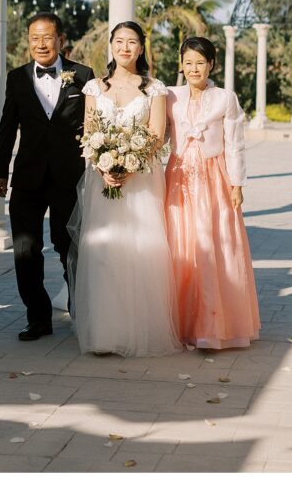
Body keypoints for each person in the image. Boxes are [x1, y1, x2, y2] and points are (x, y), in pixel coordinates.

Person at [69, 21, 181, 357]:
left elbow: (156, 135)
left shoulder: (154, 89)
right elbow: (89, 132)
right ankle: (104, 334)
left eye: (132, 42)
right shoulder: (94, 87)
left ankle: (140, 331)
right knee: (103, 251)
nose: (125, 48)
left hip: (142, 181)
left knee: (140, 250)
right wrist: (104, 167)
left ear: (141, 48)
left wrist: (129, 168)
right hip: (100, 180)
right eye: (119, 41)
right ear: (111, 45)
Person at [0, 12, 94, 341]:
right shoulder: (17, 77)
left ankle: (82, 312)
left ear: (61, 41)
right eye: (34, 38)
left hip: (68, 178)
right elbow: (8, 126)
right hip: (28, 177)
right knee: (25, 249)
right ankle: (37, 317)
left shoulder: (83, 76)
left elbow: (94, 126)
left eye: (47, 37)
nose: (40, 44)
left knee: (69, 247)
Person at [165, 36, 260, 350]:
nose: (194, 68)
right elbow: (158, 134)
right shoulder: (170, 97)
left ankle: (213, 325)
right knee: (181, 243)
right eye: (188, 62)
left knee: (212, 244)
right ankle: (180, 323)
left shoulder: (225, 98)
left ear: (212, 65)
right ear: (181, 64)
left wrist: (237, 184)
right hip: (178, 179)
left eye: (200, 63)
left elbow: (235, 144)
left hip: (213, 177)